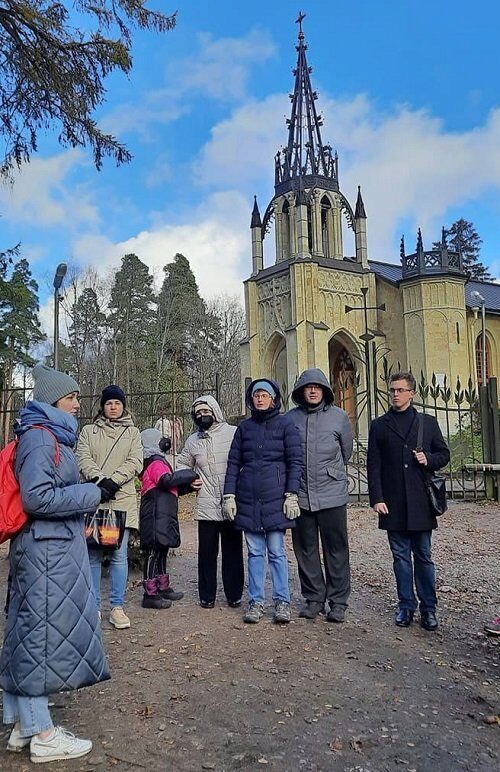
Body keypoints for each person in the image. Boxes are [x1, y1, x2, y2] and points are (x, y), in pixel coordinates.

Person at [0, 364, 110, 763]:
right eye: (72, 397)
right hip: (46, 551)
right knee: (39, 639)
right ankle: (43, 734)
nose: (79, 404)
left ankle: (20, 726)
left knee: (29, 633)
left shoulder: (45, 437)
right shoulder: (43, 439)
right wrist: (89, 494)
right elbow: (38, 498)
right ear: (53, 401)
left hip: (48, 548)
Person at [367, 371, 450, 631]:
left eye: (401, 390)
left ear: (412, 393)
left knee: (423, 557)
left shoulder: (427, 422)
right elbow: (374, 465)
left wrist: (429, 459)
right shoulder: (379, 425)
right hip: (392, 502)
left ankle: (429, 608)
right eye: (392, 390)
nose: (395, 394)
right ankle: (405, 606)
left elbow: (444, 454)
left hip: (420, 502)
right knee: (400, 558)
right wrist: (377, 498)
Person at [223, 379, 302, 624]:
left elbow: (295, 462)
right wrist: (229, 495)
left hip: (275, 498)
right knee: (255, 552)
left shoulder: (286, 425)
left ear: (274, 399)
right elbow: (234, 463)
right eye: (256, 395)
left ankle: (282, 602)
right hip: (248, 499)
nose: (260, 399)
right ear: (251, 399)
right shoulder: (244, 429)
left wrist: (292, 493)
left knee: (277, 552)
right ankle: (256, 601)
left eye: (264, 395)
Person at [288, 368, 353, 623]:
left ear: (325, 390)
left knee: (336, 548)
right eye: (308, 387)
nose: (313, 391)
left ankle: (338, 602)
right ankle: (314, 598)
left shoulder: (338, 417)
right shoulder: (290, 419)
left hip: (331, 494)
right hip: (301, 494)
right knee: (305, 548)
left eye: (317, 387)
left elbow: (345, 452)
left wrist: (330, 472)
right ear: (301, 391)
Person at [76, 385, 142, 630]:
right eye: (108, 403)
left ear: (123, 405)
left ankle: (117, 606)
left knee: (118, 555)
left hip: (121, 500)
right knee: (92, 555)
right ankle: (93, 608)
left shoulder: (133, 432)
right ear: (102, 407)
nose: (113, 407)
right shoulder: (89, 431)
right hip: (95, 499)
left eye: (117, 403)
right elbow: (82, 456)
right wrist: (100, 481)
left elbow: (135, 460)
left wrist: (114, 481)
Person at [177, 395, 244, 609]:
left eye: (205, 412)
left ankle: (234, 594)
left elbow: (246, 459)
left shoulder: (233, 433)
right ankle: (207, 596)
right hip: (206, 503)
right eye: (198, 414)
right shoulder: (193, 440)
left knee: (233, 551)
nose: (202, 416)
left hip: (231, 501)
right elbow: (181, 464)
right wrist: (189, 481)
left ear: (214, 411)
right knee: (207, 553)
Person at [138, 429, 198, 609]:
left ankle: (162, 587)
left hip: (163, 515)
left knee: (162, 549)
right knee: (153, 552)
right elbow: (166, 481)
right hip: (155, 516)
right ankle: (150, 593)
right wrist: (190, 473)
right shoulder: (155, 462)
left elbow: (172, 488)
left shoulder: (160, 462)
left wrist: (189, 487)